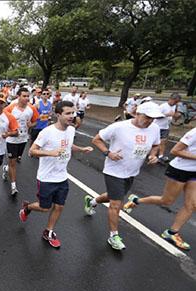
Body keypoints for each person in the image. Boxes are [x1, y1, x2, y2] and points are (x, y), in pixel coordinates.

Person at [84, 101, 164, 250]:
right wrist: (108, 153)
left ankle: (92, 201)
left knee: (114, 196)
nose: (150, 121)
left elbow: (155, 145)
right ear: (137, 113)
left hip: (132, 171)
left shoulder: (154, 128)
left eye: (153, 118)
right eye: (147, 117)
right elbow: (96, 139)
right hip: (114, 171)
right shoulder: (119, 127)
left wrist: (153, 156)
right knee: (116, 204)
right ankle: (113, 236)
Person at [19, 100, 93, 247]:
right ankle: (27, 208)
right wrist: (50, 153)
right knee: (44, 207)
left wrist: (81, 149)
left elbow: (68, 144)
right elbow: (32, 151)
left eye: (73, 113)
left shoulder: (71, 130)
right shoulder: (47, 132)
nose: (72, 116)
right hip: (46, 178)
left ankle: (49, 231)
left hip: (62, 176)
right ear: (58, 114)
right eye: (68, 113)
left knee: (59, 206)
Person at [123, 127, 196, 250]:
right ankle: (136, 201)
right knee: (167, 201)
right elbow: (175, 151)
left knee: (192, 204)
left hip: (194, 173)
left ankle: (172, 233)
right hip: (180, 170)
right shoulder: (194, 133)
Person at [1, 88, 38, 195]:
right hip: (11, 139)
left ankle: (6, 168)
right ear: (18, 97)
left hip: (23, 139)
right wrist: (8, 130)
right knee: (13, 163)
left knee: (16, 159)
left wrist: (31, 125)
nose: (27, 98)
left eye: (28, 96)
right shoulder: (10, 108)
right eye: (24, 96)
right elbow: (2, 119)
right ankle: (13, 186)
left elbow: (36, 120)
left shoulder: (31, 108)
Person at [154, 92, 181, 162]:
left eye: (177, 102)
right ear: (171, 99)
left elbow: (174, 114)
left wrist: (176, 116)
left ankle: (161, 156)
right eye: (175, 102)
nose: (176, 103)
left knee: (163, 142)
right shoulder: (162, 106)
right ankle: (151, 154)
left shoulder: (174, 106)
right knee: (154, 142)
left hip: (165, 127)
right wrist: (166, 114)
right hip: (157, 127)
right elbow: (156, 116)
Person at [30, 88, 52, 152]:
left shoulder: (50, 104)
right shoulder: (38, 104)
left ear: (49, 95)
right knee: (33, 139)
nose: (46, 95)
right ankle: (31, 151)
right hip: (37, 125)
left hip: (45, 125)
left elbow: (50, 113)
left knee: (42, 140)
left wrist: (49, 118)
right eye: (44, 94)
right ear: (41, 95)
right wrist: (38, 116)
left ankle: (38, 151)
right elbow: (31, 113)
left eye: (47, 94)